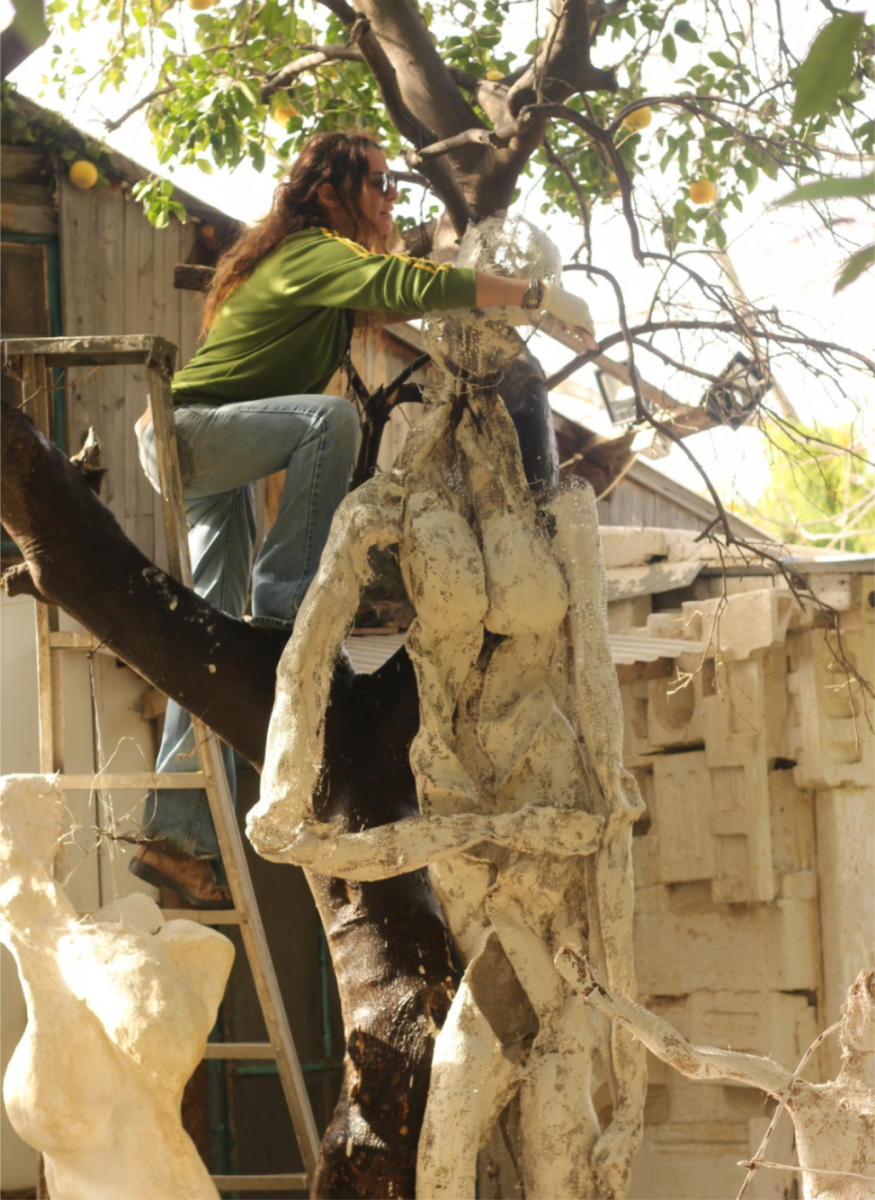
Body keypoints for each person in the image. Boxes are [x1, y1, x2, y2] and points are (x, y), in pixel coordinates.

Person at [130, 130, 597, 908]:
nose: (389, 198)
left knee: (204, 639)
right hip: (185, 436)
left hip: (201, 448)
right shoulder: (312, 252)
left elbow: (395, 281)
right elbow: (405, 282)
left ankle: (171, 832)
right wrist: (532, 295)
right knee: (329, 423)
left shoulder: (319, 268)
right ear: (327, 192)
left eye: (392, 186)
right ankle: (283, 602)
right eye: (377, 184)